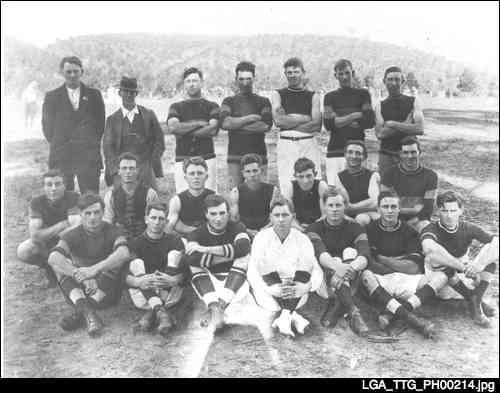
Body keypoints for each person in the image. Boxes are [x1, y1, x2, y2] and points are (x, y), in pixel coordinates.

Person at [47, 193, 130, 336]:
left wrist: (94, 270)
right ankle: (88, 313)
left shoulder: (114, 231)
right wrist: (81, 276)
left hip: (106, 291)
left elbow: (124, 253)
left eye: (97, 212)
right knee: (59, 265)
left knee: (117, 261)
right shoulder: (72, 234)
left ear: (103, 213)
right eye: (88, 213)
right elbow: (53, 258)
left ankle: (81, 311)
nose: (92, 217)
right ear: (80, 214)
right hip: (80, 288)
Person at [361, 191, 440, 338]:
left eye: (393, 206)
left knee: (438, 278)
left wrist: (382, 258)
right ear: (378, 209)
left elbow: (413, 267)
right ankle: (415, 321)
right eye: (385, 207)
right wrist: (399, 260)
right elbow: (369, 263)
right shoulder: (369, 230)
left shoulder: (409, 231)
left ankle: (392, 313)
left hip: (404, 278)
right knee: (366, 275)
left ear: (399, 209)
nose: (390, 211)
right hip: (380, 280)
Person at [248, 197, 323, 337]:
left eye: (285, 215)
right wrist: (269, 288)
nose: (281, 219)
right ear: (271, 217)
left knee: (308, 262)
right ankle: (292, 315)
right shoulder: (261, 237)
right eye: (276, 215)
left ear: (293, 217)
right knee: (262, 264)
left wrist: (307, 287)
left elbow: (316, 269)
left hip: (297, 288)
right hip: (270, 290)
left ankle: (284, 317)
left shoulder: (302, 238)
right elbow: (252, 270)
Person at [421, 191, 498, 327]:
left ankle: (475, 300)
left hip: (461, 273)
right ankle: (474, 300)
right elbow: (429, 249)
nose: (449, 216)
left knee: (491, 264)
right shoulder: (431, 228)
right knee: (437, 259)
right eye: (445, 211)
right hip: (439, 274)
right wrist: (463, 268)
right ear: (438, 210)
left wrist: (477, 265)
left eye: (453, 210)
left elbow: (496, 242)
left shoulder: (467, 227)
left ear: (461, 210)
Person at [306, 187, 371, 336]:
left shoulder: (356, 227)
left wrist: (349, 267)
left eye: (338, 205)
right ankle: (353, 311)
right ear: (324, 207)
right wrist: (338, 267)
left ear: (345, 206)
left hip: (349, 277)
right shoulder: (314, 228)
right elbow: (320, 254)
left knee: (351, 252)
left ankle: (349, 312)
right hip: (324, 283)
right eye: (330, 205)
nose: (334, 209)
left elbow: (365, 254)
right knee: (332, 259)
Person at [185, 194, 252, 333]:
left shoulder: (237, 227)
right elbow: (192, 259)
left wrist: (206, 249)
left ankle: (217, 308)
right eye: (213, 214)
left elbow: (244, 247)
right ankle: (215, 306)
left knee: (244, 256)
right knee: (194, 264)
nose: (218, 218)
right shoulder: (196, 233)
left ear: (228, 213)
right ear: (206, 215)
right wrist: (229, 255)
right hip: (209, 281)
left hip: (234, 280)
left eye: (222, 213)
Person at [42, 56, 105, 193]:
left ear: (82, 71)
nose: (72, 75)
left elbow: (100, 126)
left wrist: (88, 144)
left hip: (88, 156)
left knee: (90, 198)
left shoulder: (94, 95)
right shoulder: (52, 97)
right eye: (68, 71)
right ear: (62, 73)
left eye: (76, 71)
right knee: (62, 199)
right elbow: (48, 129)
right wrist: (62, 143)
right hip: (62, 156)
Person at [126, 203, 189, 336]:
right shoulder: (135, 243)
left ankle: (153, 313)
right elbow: (125, 275)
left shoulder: (175, 240)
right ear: (146, 219)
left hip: (169, 291)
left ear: (166, 221)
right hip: (144, 294)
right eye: (153, 218)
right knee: (136, 263)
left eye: (161, 219)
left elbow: (187, 272)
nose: (156, 222)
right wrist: (140, 281)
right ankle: (162, 312)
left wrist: (173, 279)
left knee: (174, 255)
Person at [17, 169, 81, 287]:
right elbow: (35, 236)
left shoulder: (73, 197)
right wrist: (61, 225)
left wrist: (48, 233)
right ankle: (49, 267)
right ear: (43, 187)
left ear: (64, 185)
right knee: (24, 250)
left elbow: (76, 228)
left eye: (57, 184)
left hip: (69, 243)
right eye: (49, 184)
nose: (53, 188)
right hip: (47, 243)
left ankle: (67, 269)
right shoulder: (36, 202)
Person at [103, 77, 165, 189]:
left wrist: (151, 162)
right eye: (125, 91)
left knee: (150, 201)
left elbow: (159, 141)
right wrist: (116, 170)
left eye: (132, 92)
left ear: (136, 94)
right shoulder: (112, 120)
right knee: (123, 202)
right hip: (122, 170)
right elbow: (108, 149)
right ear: (119, 93)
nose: (129, 95)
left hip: (145, 167)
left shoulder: (148, 115)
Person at [271, 57, 322, 192]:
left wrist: (291, 120)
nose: (293, 75)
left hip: (308, 143)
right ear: (285, 74)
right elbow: (279, 121)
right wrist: (305, 118)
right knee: (287, 184)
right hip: (286, 143)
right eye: (289, 72)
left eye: (296, 71)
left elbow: (316, 124)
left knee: (313, 183)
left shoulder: (313, 96)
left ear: (303, 73)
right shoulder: (278, 94)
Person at [220, 61, 273, 190]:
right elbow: (225, 123)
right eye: (241, 79)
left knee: (260, 195)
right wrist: (250, 118)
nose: (245, 83)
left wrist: (236, 123)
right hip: (235, 158)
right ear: (236, 79)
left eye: (248, 79)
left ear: (254, 78)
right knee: (234, 195)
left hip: (258, 157)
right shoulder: (228, 101)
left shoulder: (263, 101)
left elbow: (265, 126)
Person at [167, 67, 220, 192]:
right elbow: (174, 127)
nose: (192, 84)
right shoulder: (176, 107)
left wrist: (184, 130)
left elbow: (213, 129)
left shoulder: (212, 106)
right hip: (182, 159)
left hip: (207, 158)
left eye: (195, 81)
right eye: (188, 81)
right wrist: (200, 123)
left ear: (201, 82)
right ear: (184, 84)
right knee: (183, 198)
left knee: (210, 198)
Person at [323, 59, 375, 182]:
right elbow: (329, 124)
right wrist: (356, 114)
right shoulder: (329, 97)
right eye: (340, 74)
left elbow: (369, 121)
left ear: (353, 72)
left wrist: (339, 118)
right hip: (335, 151)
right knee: (334, 194)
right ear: (335, 76)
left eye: (347, 73)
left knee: (358, 194)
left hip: (357, 152)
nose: (344, 77)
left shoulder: (363, 94)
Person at [380, 136, 437, 233]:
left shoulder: (430, 176)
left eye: (413, 152)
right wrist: (412, 210)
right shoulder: (389, 173)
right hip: (393, 218)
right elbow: (385, 203)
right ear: (400, 154)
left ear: (420, 152)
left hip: (418, 219)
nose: (410, 156)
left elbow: (428, 209)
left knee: (425, 226)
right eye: (405, 153)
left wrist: (410, 222)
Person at [375, 66, 424, 177]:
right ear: (384, 81)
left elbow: (419, 129)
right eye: (390, 79)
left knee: (410, 188)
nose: (394, 83)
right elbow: (379, 134)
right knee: (386, 189)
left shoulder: (413, 101)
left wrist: (392, 124)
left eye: (397, 79)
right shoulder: (380, 105)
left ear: (403, 81)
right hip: (386, 155)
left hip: (409, 154)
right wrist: (407, 125)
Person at [103, 153, 160, 239]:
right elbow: (108, 222)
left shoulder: (150, 194)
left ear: (137, 170)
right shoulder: (110, 195)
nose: (128, 172)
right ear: (118, 171)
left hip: (144, 238)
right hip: (119, 238)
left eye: (131, 168)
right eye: (124, 168)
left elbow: (155, 221)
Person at [329, 140, 380, 226]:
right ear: (345, 155)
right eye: (350, 152)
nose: (354, 156)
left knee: (361, 218)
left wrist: (353, 207)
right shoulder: (339, 176)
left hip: (369, 213)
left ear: (364, 157)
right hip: (348, 214)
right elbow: (343, 201)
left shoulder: (372, 175)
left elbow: (374, 201)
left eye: (358, 153)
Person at [228, 154, 280, 237]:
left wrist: (263, 231)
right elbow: (234, 220)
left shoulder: (273, 190)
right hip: (244, 231)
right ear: (243, 173)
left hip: (267, 230)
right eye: (248, 171)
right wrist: (248, 231)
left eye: (255, 170)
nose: (252, 175)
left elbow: (275, 217)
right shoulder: (236, 192)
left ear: (261, 170)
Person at [166, 157, 215, 237]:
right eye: (192, 173)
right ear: (185, 177)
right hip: (186, 240)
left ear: (206, 176)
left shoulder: (214, 198)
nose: (196, 177)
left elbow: (222, 224)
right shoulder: (177, 201)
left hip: (210, 239)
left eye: (200, 173)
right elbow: (169, 227)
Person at [281, 158, 328, 230]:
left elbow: (325, 215)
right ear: (295, 176)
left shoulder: (321, 186)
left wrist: (312, 227)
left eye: (309, 176)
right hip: (297, 226)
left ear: (315, 174)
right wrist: (299, 228)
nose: (305, 181)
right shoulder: (290, 187)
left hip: (319, 226)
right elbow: (288, 215)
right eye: (300, 177)